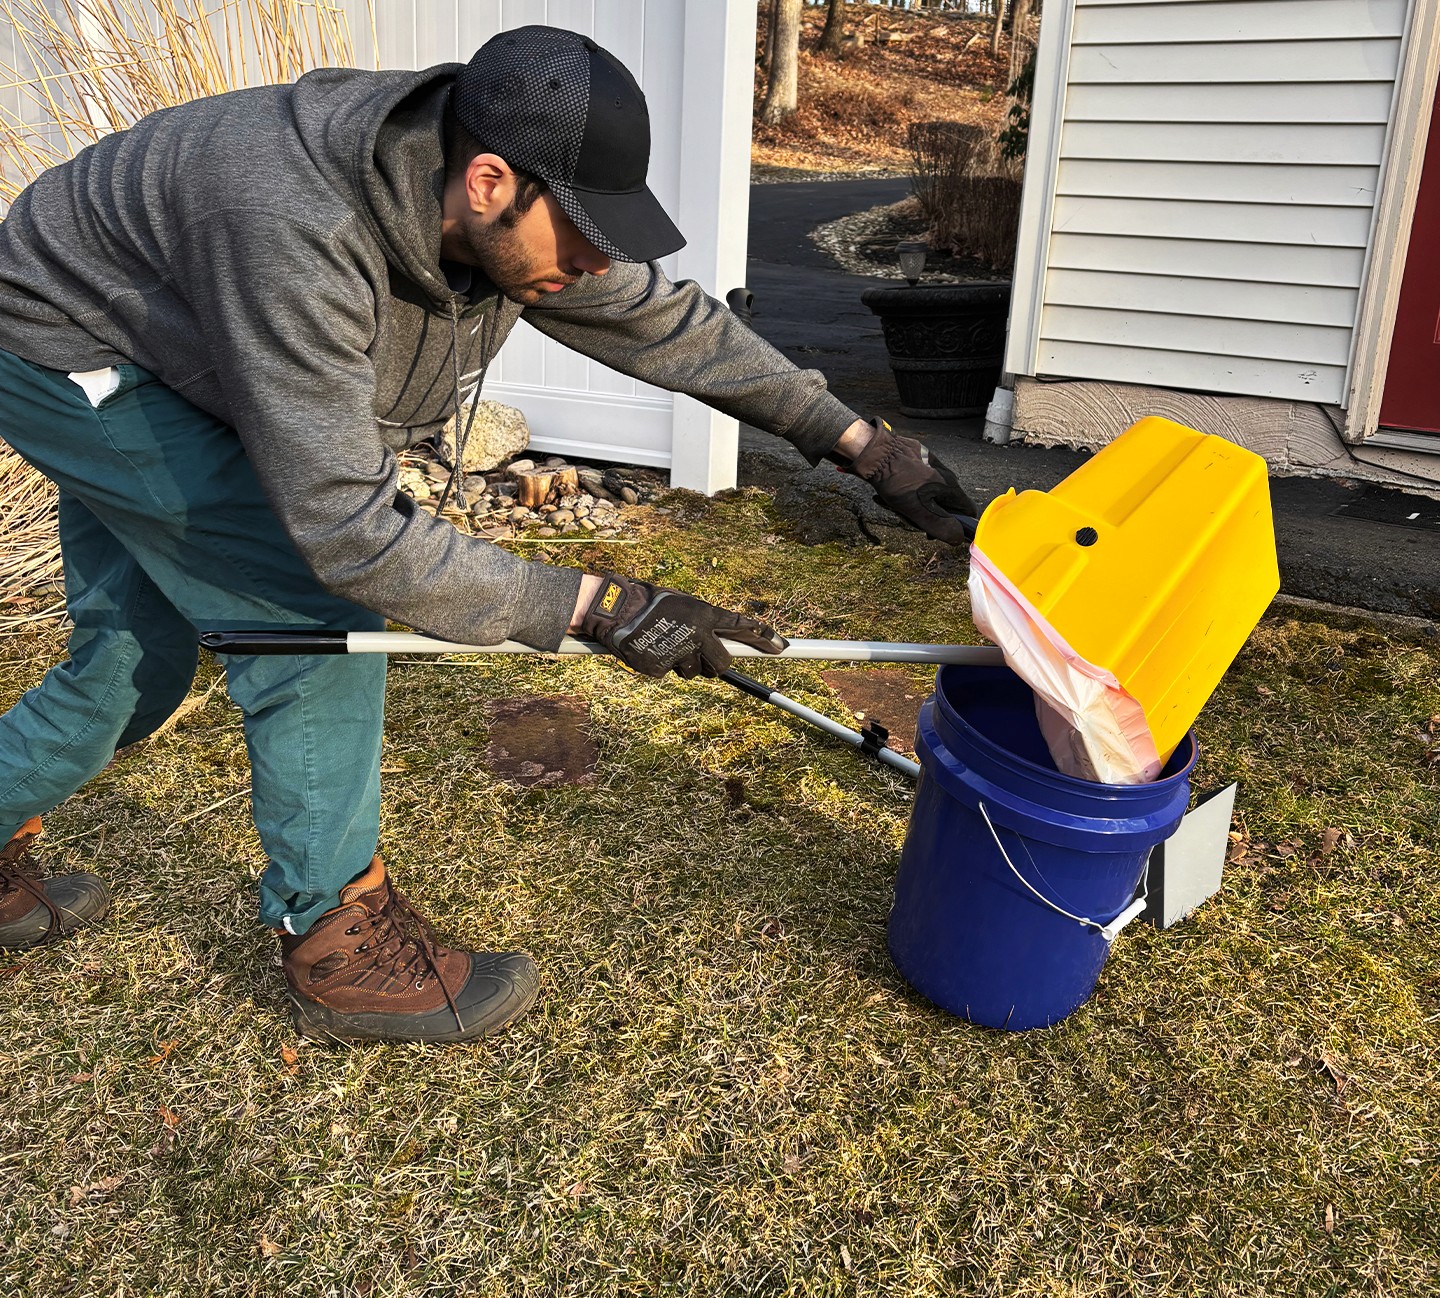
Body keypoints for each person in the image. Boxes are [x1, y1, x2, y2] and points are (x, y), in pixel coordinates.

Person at [0, 25, 978, 1043]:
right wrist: (596, 609)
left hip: (178, 334)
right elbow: (347, 531)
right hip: (75, 348)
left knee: (133, 655)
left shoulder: (501, 211)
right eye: (585, 229)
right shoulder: (296, 224)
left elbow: (660, 319)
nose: (599, 259)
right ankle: (334, 936)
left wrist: (863, 442)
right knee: (310, 618)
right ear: (486, 181)